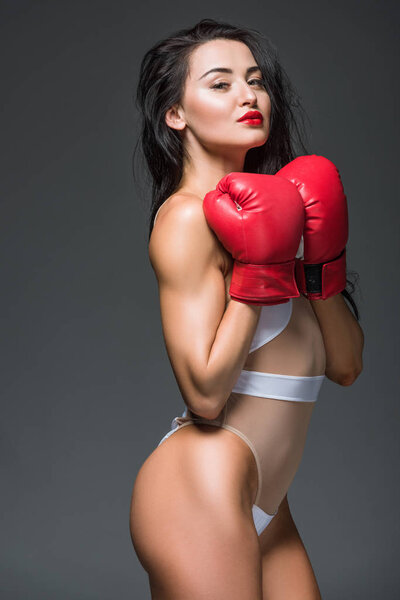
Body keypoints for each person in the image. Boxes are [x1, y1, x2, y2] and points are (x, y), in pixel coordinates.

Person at [129, 19, 364, 599]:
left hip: (267, 499)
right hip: (199, 487)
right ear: (175, 115)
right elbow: (206, 397)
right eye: (220, 83)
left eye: (254, 81)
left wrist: (317, 269)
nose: (247, 95)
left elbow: (345, 367)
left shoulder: (282, 210)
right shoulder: (185, 219)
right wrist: (258, 272)